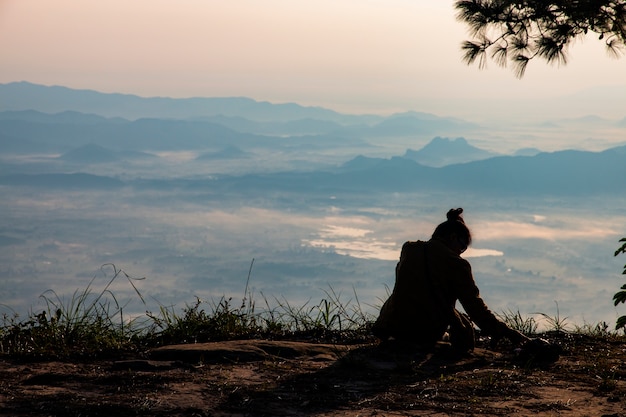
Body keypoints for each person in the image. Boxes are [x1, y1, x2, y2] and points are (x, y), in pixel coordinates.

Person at [372, 208, 529, 354]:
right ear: (453, 237)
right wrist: (504, 331)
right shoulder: (456, 264)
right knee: (464, 329)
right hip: (423, 331)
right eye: (462, 247)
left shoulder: (409, 249)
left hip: (390, 325)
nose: (460, 253)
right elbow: (474, 307)